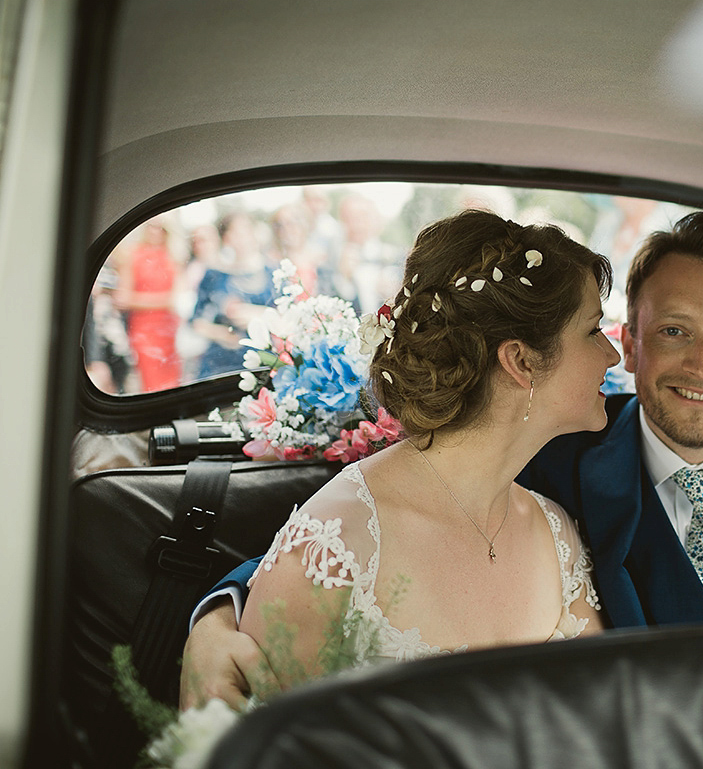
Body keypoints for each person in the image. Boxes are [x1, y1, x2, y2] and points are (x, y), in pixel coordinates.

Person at [181, 211, 703, 708]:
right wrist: (217, 619)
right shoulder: (553, 457)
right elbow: (365, 541)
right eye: (676, 330)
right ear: (633, 340)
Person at [219, 211, 614, 694]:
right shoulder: (336, 545)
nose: (612, 356)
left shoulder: (557, 535)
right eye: (594, 331)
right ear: (521, 361)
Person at [190, 211, 275, 378]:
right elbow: (196, 322)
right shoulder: (214, 275)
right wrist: (221, 334)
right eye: (235, 232)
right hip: (220, 363)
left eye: (246, 230)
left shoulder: (274, 274)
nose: (242, 237)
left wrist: (259, 314)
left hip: (264, 362)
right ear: (226, 238)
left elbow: (288, 317)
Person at [113, 214, 183, 392]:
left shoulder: (172, 257)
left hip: (169, 327)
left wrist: (147, 300)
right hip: (144, 327)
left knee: (172, 378)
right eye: (151, 226)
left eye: (160, 227)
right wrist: (164, 300)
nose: (155, 231)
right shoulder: (133, 255)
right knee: (150, 378)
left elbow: (177, 297)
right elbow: (123, 297)